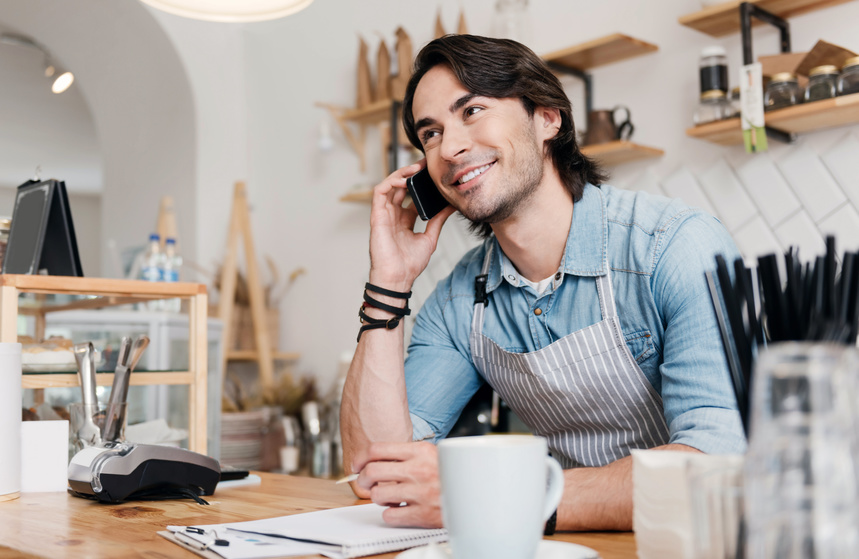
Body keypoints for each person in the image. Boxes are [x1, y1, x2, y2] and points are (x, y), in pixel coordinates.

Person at [340, 34, 745, 532]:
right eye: (430, 133)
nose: (451, 147)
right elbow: (376, 470)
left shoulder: (676, 248)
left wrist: (502, 497)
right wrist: (389, 284)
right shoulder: (458, 301)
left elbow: (716, 461)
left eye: (471, 111)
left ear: (547, 117)